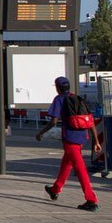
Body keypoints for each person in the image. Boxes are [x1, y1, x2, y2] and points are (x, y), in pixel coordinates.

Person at [36, 76, 101, 211]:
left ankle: (91, 200)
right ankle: (55, 189)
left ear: (57, 87)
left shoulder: (59, 99)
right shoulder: (77, 98)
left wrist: (41, 133)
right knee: (66, 164)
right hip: (82, 137)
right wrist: (96, 141)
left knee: (80, 169)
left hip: (70, 139)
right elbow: (89, 120)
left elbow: (53, 121)